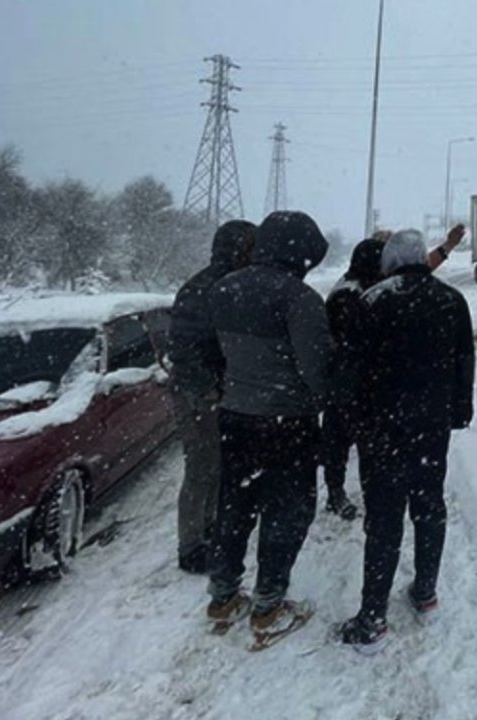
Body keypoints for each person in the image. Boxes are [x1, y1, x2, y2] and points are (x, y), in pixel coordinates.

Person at [338, 229, 475, 652]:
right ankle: (426, 592)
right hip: (430, 428)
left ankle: (373, 618)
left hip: (382, 429)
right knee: (429, 506)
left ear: (390, 263)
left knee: (383, 518)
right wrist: (458, 411)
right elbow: (463, 360)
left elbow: (351, 370)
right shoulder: (451, 301)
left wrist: (353, 418)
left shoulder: (374, 301)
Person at [204, 210, 332, 648]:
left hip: (235, 417)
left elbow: (214, 354)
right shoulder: (299, 299)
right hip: (287, 423)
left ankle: (222, 596)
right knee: (287, 510)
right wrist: (327, 399)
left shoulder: (223, 289)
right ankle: (268, 606)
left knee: (234, 506)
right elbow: (317, 370)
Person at [167, 219, 257, 574]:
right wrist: (208, 390)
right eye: (252, 247)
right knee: (202, 466)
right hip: (200, 393)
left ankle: (208, 528)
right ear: (238, 249)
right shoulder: (210, 288)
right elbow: (183, 349)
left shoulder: (213, 284)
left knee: (216, 464)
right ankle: (191, 546)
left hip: (214, 389)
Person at [321, 238, 388, 521]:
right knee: (345, 441)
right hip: (349, 383)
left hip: (349, 382)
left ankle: (353, 492)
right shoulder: (350, 295)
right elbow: (352, 343)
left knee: (351, 441)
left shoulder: (354, 287)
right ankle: (336, 493)